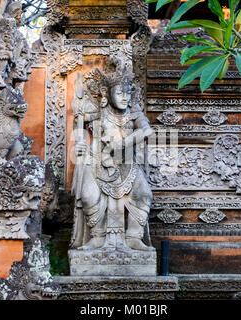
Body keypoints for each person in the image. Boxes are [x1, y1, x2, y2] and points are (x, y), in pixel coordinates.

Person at [70, 58, 155, 252]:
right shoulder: (99, 110)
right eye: (119, 92)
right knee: (88, 196)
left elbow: (147, 131)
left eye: (127, 93)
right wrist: (80, 143)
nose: (124, 97)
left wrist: (123, 143)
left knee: (144, 194)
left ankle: (134, 237)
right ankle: (98, 237)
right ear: (107, 93)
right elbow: (79, 123)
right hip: (98, 160)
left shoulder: (133, 111)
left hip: (126, 163)